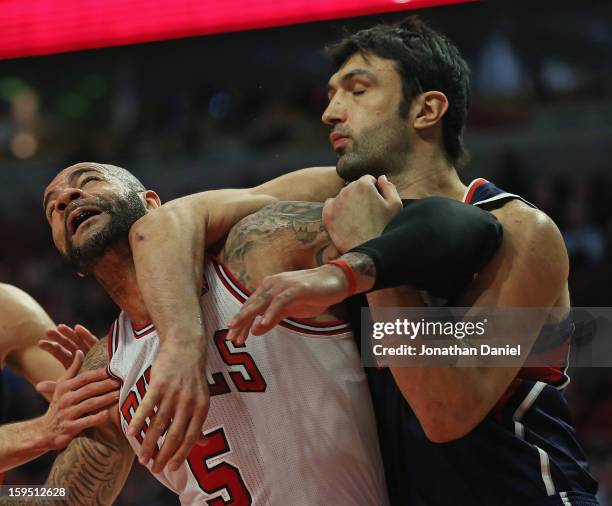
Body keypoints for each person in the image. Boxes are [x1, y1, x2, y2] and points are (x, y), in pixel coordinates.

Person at [125, 18, 598, 506]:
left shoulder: (522, 230)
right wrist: (179, 346)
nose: (331, 112)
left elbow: (445, 412)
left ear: (427, 110)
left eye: (357, 90)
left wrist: (368, 251)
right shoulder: (329, 192)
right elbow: (167, 222)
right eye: (331, 95)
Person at [40, 161, 396, 505]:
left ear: (151, 203)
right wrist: (36, 437)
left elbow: (371, 183)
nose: (65, 199)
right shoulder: (106, 368)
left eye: (89, 181)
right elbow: (60, 499)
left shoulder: (256, 252)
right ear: (69, 260)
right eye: (51, 208)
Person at [0, 284, 117, 476]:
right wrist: (40, 430)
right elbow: (53, 426)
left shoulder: (9, 310)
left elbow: (97, 417)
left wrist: (105, 379)